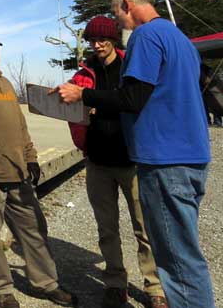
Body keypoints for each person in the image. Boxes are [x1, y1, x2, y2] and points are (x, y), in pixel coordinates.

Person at [57, 0, 215, 308]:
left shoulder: (145, 35)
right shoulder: (180, 39)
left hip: (164, 159)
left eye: (117, 14)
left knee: (177, 262)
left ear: (127, 5)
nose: (119, 22)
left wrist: (84, 95)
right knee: (185, 255)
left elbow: (132, 98)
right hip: (191, 154)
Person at [0, 30, 77, 308]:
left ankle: (46, 283)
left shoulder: (5, 82)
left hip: (18, 173)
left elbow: (20, 126)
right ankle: (2, 290)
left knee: (34, 230)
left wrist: (31, 158)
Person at [68, 16, 166, 308]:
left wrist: (95, 102)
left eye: (103, 39)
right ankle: (114, 283)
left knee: (144, 228)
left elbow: (137, 101)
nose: (97, 45)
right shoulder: (83, 75)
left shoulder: (131, 67)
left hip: (133, 160)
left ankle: (155, 287)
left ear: (113, 39)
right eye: (92, 40)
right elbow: (71, 108)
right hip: (97, 161)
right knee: (106, 228)